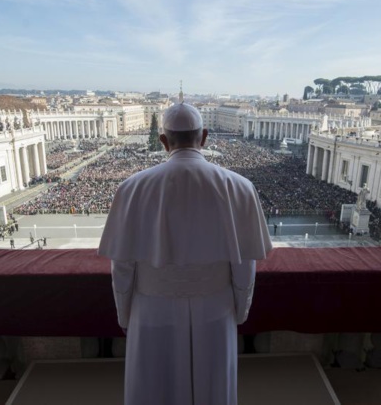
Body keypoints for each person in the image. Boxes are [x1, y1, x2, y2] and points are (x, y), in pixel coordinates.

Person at [99, 101, 273, 405]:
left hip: (152, 309)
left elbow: (122, 269)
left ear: (163, 140)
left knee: (154, 388)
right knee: (212, 388)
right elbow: (245, 267)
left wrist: (125, 314)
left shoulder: (131, 188)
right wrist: (239, 311)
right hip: (215, 309)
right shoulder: (241, 187)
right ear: (204, 137)